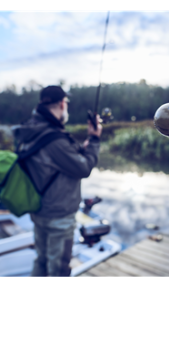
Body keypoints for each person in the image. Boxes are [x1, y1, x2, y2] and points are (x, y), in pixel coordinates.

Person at [13, 85, 102, 276]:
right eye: (66, 103)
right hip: (59, 217)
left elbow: (53, 161)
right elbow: (84, 168)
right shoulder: (55, 139)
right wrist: (94, 140)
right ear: (62, 104)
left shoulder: (31, 130)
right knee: (58, 270)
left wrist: (82, 149)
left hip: (39, 211)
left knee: (41, 260)